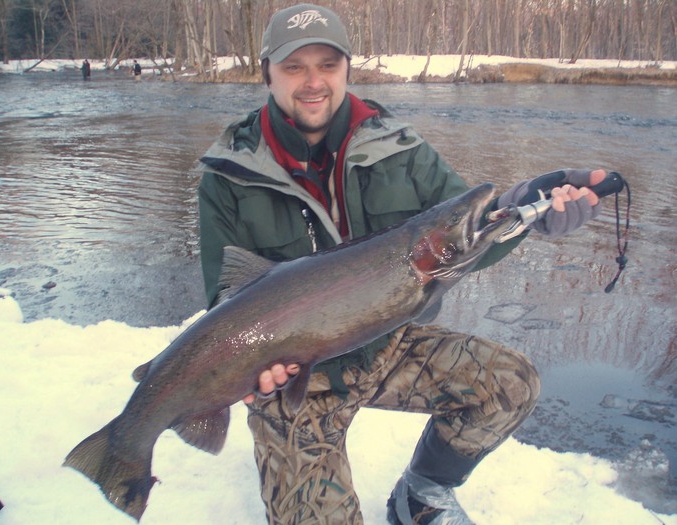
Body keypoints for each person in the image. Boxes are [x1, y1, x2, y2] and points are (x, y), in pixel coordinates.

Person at [197, 4, 607, 524]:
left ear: (347, 67)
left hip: (383, 345)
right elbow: (221, 303)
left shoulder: (399, 146)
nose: (313, 82)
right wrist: (253, 370)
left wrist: (525, 212)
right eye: (294, 67)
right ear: (267, 74)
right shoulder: (228, 172)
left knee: (511, 384)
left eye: (327, 64)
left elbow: (461, 240)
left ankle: (421, 494)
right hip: (298, 378)